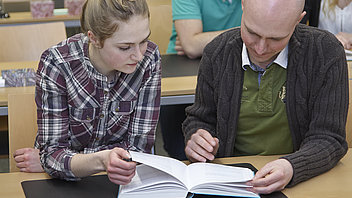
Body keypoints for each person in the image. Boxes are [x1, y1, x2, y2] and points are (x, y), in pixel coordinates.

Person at [182, 0, 348, 194]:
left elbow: (330, 138)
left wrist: (291, 167)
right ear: (243, 5)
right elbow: (200, 119)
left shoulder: (325, 52)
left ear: (298, 20)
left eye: (276, 38)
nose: (260, 48)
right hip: (231, 182)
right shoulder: (217, 52)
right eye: (252, 33)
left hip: (302, 181)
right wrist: (196, 139)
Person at [13, 0, 161, 185]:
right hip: (65, 187)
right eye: (125, 47)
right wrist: (102, 160)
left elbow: (139, 150)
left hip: (118, 182)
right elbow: (52, 155)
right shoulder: (58, 63)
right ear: (94, 38)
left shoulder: (149, 59)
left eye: (144, 41)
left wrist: (64, 160)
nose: (139, 55)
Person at [160, 0, 243, 161]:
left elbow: (272, 28)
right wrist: (245, 33)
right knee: (184, 151)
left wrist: (202, 40)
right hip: (180, 77)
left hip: (235, 72)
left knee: (234, 153)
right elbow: (191, 46)